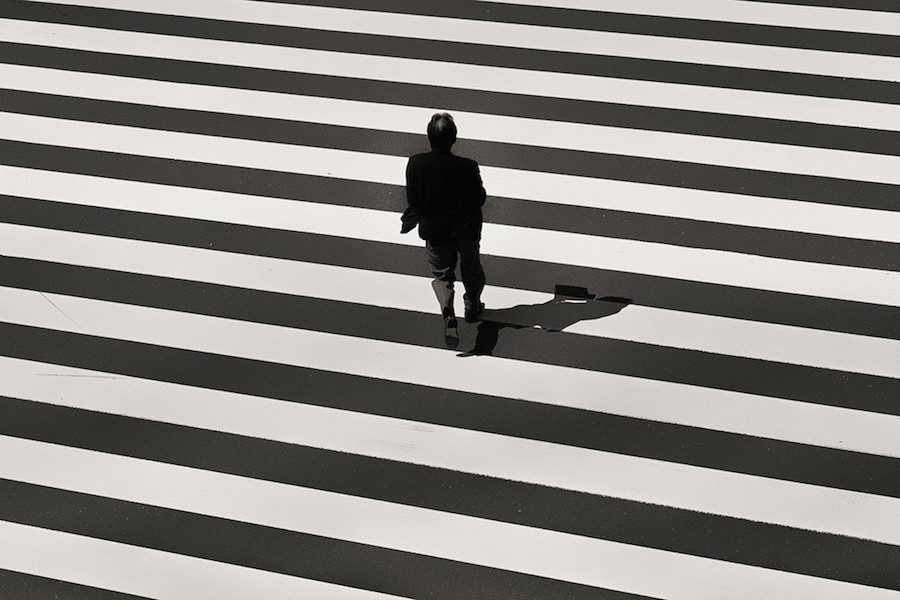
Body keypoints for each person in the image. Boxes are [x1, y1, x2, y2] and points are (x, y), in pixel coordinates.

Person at [402, 113, 487, 340]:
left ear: (429, 137)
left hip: (436, 230)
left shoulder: (416, 164)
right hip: (465, 229)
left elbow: (415, 201)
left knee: (442, 275)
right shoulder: (468, 167)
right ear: (454, 138)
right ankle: (472, 304)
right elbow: (479, 199)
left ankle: (448, 310)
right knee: (471, 270)